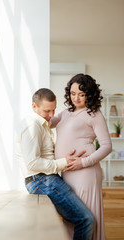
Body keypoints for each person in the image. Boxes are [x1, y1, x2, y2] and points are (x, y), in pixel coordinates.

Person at [17, 88, 95, 240]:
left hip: (44, 179)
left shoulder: (41, 124)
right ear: (34, 106)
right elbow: (32, 163)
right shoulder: (33, 126)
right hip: (41, 180)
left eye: (54, 110)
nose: (52, 116)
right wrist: (64, 162)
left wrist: (62, 160)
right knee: (86, 220)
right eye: (47, 111)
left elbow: (43, 156)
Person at [51, 74, 112, 240]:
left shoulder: (94, 114)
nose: (76, 98)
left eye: (81, 94)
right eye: (72, 93)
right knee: (72, 217)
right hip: (67, 172)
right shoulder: (65, 113)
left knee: (85, 217)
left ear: (89, 94)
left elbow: (107, 146)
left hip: (85, 173)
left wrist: (83, 162)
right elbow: (46, 122)